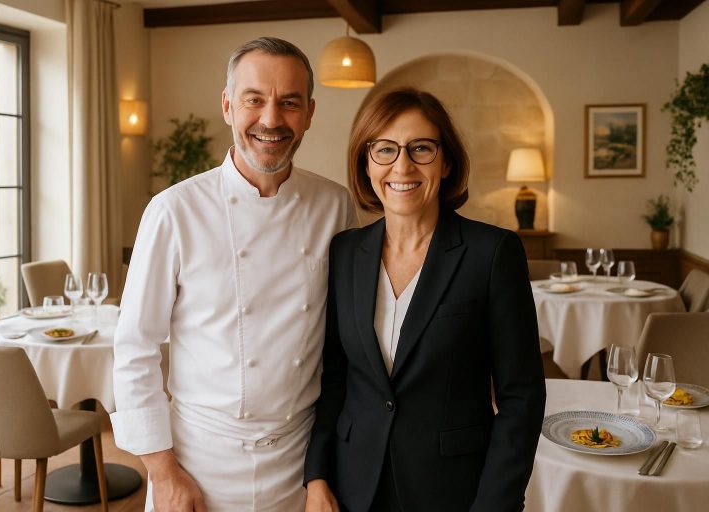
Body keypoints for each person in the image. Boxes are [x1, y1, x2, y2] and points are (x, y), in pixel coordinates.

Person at [111, 37, 357, 511]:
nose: (270, 119)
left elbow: (343, 349)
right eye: (254, 100)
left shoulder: (335, 205)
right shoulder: (173, 211)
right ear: (228, 106)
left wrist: (322, 470)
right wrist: (162, 473)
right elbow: (135, 349)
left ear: (309, 112)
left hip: (299, 462)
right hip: (198, 463)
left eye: (288, 103)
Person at [303, 88, 546, 512]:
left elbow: (521, 398)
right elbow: (336, 379)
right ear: (366, 162)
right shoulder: (345, 253)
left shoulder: (492, 253)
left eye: (421, 148)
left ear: (447, 161)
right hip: (352, 486)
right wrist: (317, 476)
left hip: (454, 491)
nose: (403, 165)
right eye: (384, 149)